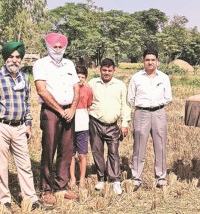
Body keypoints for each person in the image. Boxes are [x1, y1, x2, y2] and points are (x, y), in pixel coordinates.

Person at [0, 42, 48, 211]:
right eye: (11, 56)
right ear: (5, 58)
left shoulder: (24, 78)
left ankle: (31, 198)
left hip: (19, 127)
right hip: (0, 126)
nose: (14, 60)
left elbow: (26, 102)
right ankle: (5, 200)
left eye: (18, 57)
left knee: (25, 164)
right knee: (2, 165)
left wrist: (28, 124)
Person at [32, 33, 79, 203]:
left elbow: (76, 87)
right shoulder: (41, 64)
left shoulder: (69, 64)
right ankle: (46, 188)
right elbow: (41, 90)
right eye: (55, 47)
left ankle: (61, 187)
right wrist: (60, 110)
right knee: (49, 149)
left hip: (69, 111)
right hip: (51, 112)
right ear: (48, 47)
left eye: (60, 47)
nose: (58, 49)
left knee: (66, 150)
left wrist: (73, 108)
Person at [128, 49, 172, 191]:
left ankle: (161, 177)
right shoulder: (136, 78)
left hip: (159, 112)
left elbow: (168, 97)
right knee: (139, 147)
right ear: (143, 61)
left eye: (153, 60)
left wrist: (157, 106)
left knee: (160, 145)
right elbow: (131, 98)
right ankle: (136, 178)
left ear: (157, 61)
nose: (150, 62)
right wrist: (143, 108)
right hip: (141, 113)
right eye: (147, 60)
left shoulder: (164, 77)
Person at [88, 58, 131, 195]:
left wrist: (124, 123)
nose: (106, 73)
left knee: (113, 152)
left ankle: (115, 180)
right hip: (95, 122)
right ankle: (102, 178)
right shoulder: (93, 83)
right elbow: (86, 100)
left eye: (109, 70)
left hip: (112, 125)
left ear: (114, 70)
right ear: (99, 69)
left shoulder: (120, 85)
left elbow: (126, 105)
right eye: (104, 70)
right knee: (97, 151)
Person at [69, 65, 93, 188]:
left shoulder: (88, 90)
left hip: (83, 125)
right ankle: (73, 178)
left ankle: (82, 179)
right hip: (70, 125)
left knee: (82, 154)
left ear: (86, 78)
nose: (80, 79)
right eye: (77, 76)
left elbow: (89, 105)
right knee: (71, 154)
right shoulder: (69, 89)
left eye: (82, 77)